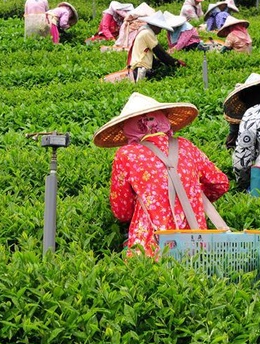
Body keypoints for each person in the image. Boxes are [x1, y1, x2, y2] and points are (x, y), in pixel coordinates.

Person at [93, 92, 229, 257]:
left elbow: (122, 210)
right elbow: (219, 182)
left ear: (128, 127)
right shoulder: (186, 146)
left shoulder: (126, 155)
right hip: (194, 239)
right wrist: (190, 196)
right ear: (163, 119)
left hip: (150, 241)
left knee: (151, 277)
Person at [127, 11, 185, 82]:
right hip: (140, 69)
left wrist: (159, 64)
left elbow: (149, 55)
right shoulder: (147, 33)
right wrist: (176, 63)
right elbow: (160, 53)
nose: (160, 30)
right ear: (154, 26)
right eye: (160, 28)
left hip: (138, 68)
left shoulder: (144, 31)